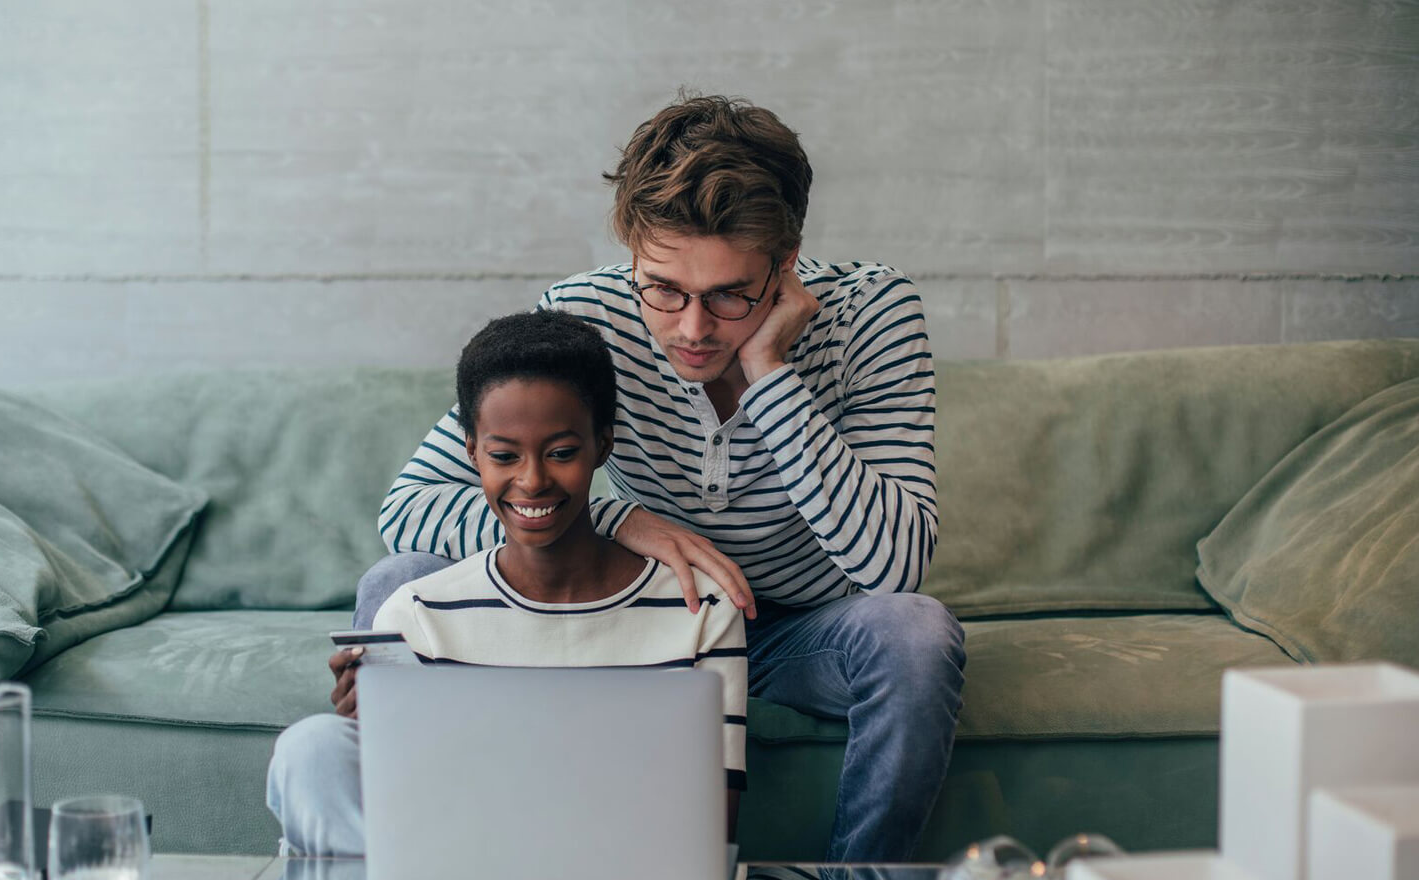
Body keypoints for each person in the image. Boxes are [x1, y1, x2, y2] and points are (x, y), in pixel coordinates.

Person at [361, 93, 966, 862]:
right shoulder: (586, 316)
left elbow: (894, 566)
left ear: (786, 263)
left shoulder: (874, 312)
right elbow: (409, 508)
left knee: (915, 635)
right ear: (632, 250)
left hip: (801, 632)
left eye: (728, 296)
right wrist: (614, 519)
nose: (692, 329)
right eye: (664, 290)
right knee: (398, 583)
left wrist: (770, 373)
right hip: (635, 619)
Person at [266, 309, 747, 856]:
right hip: (462, 856)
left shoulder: (699, 606)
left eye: (562, 453)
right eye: (503, 456)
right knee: (313, 748)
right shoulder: (419, 612)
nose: (533, 480)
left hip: (618, 859)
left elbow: (715, 826)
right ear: (471, 452)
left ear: (603, 446)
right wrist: (374, 723)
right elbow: (417, 800)